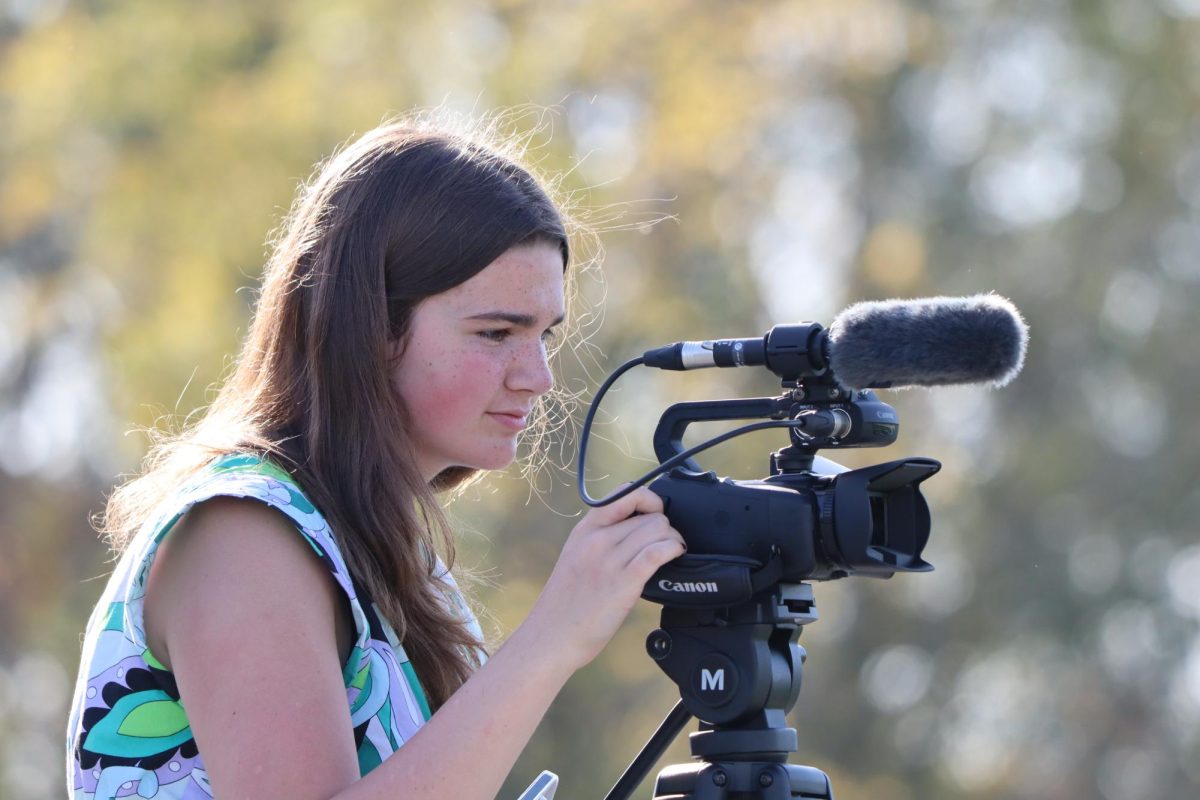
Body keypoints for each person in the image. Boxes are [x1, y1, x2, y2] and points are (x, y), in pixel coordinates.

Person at [66, 115, 686, 800]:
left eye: (544, 334)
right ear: (366, 327)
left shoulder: (384, 554)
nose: (537, 374)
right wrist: (553, 638)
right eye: (497, 331)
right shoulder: (241, 532)